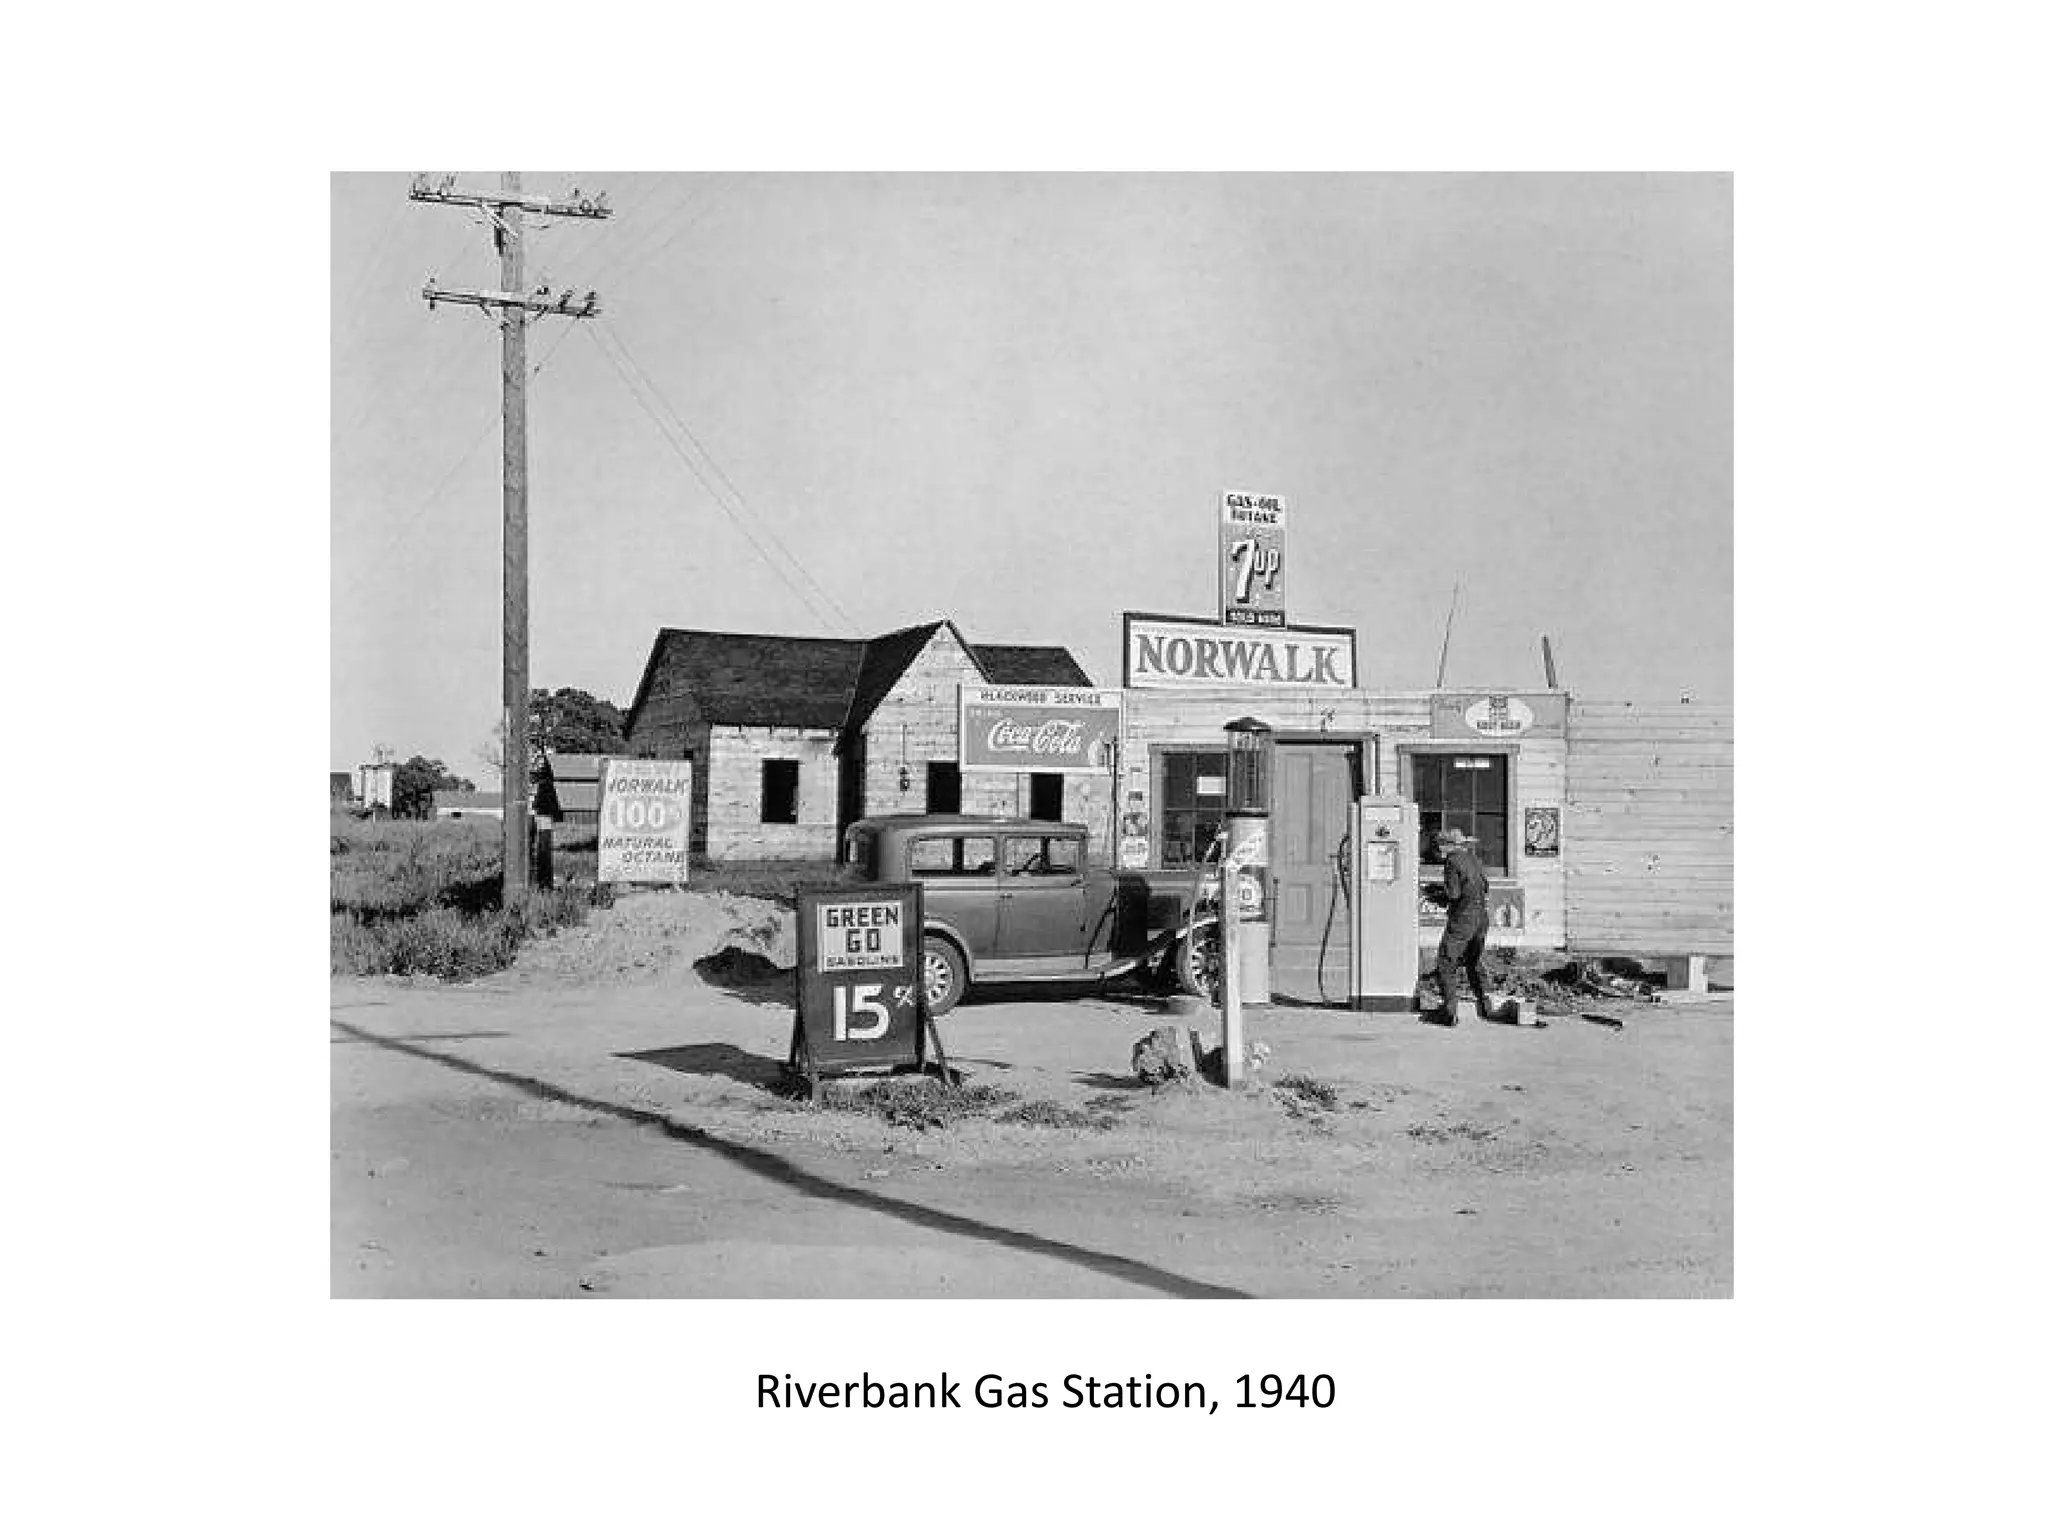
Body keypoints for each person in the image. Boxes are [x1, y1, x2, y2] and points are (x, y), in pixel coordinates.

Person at [1427, 826, 1500, 1026]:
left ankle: (1449, 1012)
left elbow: (1454, 894)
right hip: (1481, 919)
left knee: (1446, 961)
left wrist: (1436, 894)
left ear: (1445, 846)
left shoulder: (1452, 861)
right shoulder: (1472, 858)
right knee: (1473, 961)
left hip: (1463, 919)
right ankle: (1486, 1006)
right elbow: (1485, 886)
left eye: (1439, 846)